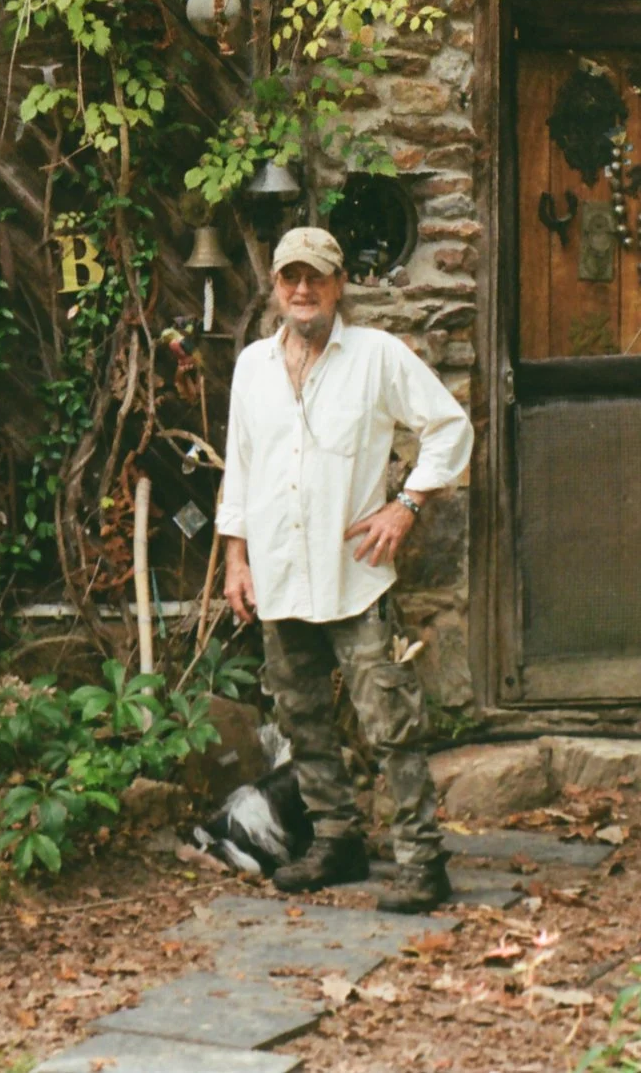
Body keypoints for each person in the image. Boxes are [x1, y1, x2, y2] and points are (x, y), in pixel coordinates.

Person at [218, 226, 473, 913]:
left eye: (317, 278)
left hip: (353, 573)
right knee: (302, 722)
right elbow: (240, 466)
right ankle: (337, 840)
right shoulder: (251, 367)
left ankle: (422, 858)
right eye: (290, 278)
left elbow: (450, 428)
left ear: (339, 285)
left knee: (389, 722)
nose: (303, 291)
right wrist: (236, 559)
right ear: (275, 287)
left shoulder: (377, 357)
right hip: (276, 574)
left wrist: (407, 505)